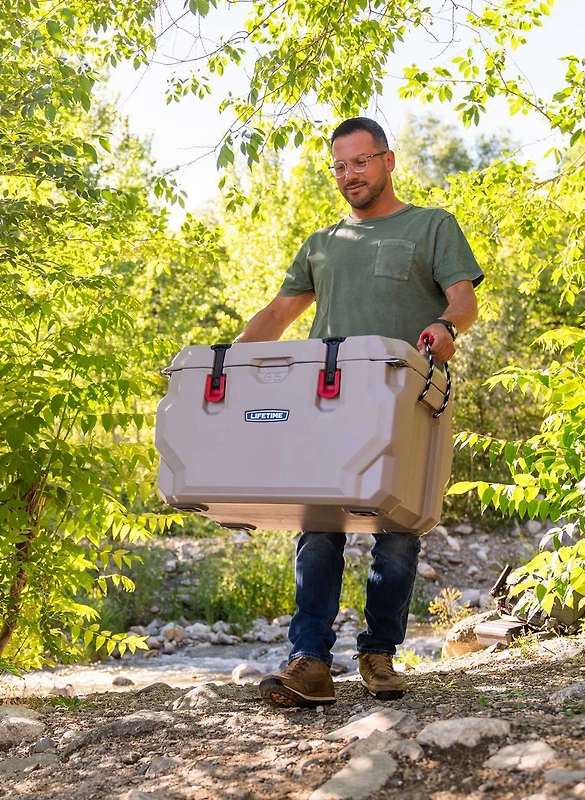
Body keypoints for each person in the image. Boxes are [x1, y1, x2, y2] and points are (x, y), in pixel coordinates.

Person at [234, 117, 484, 708]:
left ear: (388, 161)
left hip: (405, 401)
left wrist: (447, 327)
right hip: (326, 402)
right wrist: (224, 363)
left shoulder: (431, 225)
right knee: (318, 526)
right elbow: (278, 314)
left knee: (397, 530)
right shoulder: (322, 243)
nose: (350, 175)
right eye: (340, 166)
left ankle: (378, 653)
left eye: (361, 161)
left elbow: (463, 299)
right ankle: (311, 663)